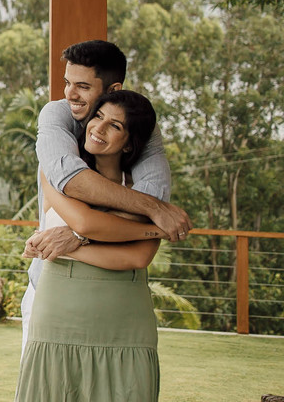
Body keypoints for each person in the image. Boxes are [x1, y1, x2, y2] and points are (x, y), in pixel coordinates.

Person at [19, 41, 191, 351]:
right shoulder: (56, 114)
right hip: (49, 287)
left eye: (83, 86)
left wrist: (76, 237)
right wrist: (152, 220)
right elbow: (73, 183)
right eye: (68, 83)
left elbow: (148, 207)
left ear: (113, 88)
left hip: (116, 300)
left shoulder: (142, 129)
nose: (70, 93)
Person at [15, 90, 170, 401]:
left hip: (126, 322)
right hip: (60, 315)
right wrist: (149, 229)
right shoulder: (56, 173)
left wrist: (69, 245)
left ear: (129, 142)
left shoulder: (142, 191)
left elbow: (139, 258)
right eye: (97, 117)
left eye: (115, 125)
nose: (98, 128)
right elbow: (85, 223)